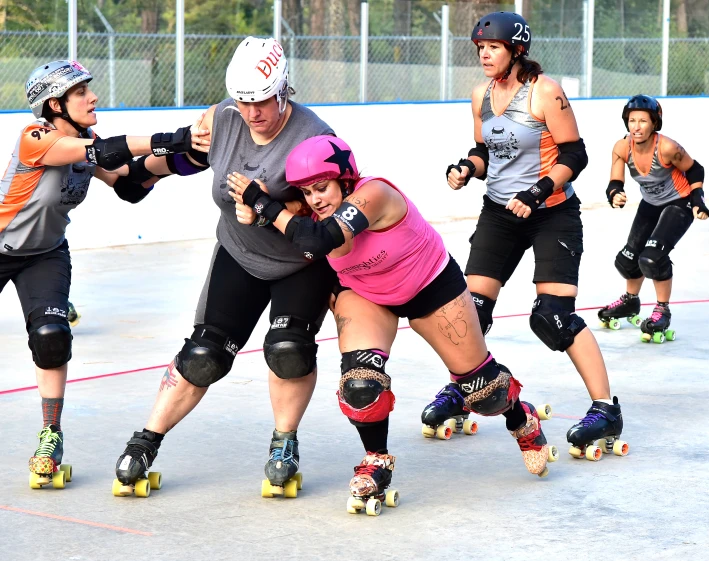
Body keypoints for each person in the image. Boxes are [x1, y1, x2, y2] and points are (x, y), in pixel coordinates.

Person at [227, 135, 558, 514]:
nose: (315, 199)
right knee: (360, 384)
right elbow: (285, 219)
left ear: (345, 180)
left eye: (322, 188)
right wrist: (254, 210)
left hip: (429, 285)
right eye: (306, 192)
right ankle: (376, 459)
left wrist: (262, 204)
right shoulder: (306, 208)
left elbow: (322, 239)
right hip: (366, 293)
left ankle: (521, 418)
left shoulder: (376, 194)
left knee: (485, 392)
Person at [113, 37, 336, 499]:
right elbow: (191, 157)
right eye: (244, 100)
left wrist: (271, 205)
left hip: (301, 263)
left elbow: (326, 215)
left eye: (262, 101)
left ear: (283, 90)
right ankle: (146, 440)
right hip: (239, 253)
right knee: (204, 355)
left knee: (288, 348)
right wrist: (142, 174)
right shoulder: (224, 118)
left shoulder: (314, 137)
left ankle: (284, 445)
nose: (252, 112)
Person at [2, 59, 199, 488]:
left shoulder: (84, 139)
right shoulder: (35, 137)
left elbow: (129, 182)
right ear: (55, 104)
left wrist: (191, 157)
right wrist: (176, 137)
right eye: (81, 93)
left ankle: (49, 435)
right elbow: (107, 151)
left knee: (52, 338)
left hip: (45, 254)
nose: (93, 98)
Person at [444, 11, 626, 461]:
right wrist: (468, 168)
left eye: (494, 47)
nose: (484, 54)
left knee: (553, 317)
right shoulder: (480, 95)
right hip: (500, 214)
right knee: (469, 311)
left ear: (516, 50)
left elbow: (575, 153)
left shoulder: (545, 92)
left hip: (552, 215)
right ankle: (463, 389)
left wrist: (540, 189)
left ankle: (606, 408)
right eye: (480, 48)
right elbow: (485, 150)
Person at [598, 94, 709, 343]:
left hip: (679, 203)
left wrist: (698, 199)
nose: (636, 127)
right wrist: (615, 193)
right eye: (632, 120)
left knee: (652, 258)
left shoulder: (667, 148)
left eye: (643, 121)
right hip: (651, 204)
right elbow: (614, 181)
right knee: (627, 261)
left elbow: (695, 169)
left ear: (654, 123)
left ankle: (662, 309)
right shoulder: (621, 147)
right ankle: (630, 301)